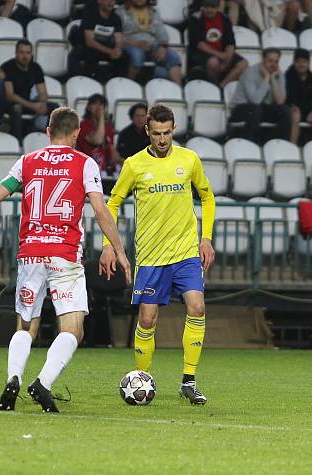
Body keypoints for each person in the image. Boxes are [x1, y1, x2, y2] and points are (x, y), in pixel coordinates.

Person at [0, 107, 131, 413]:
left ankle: (14, 377)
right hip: (64, 255)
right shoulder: (84, 164)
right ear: (77, 133)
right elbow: (100, 209)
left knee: (26, 327)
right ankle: (43, 383)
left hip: (31, 255)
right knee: (72, 329)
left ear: (47, 132)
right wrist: (118, 250)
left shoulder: (27, 162)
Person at [103, 104, 216, 405]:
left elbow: (207, 196)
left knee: (197, 306)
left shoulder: (189, 159)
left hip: (185, 251)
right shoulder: (134, 164)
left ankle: (189, 381)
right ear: (147, 131)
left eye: (167, 133)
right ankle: (142, 379)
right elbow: (111, 204)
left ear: (173, 129)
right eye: (157, 133)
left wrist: (205, 239)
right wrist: (107, 245)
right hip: (152, 256)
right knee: (148, 319)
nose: (162, 139)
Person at [230, 47, 292, 143]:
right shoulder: (250, 72)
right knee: (256, 110)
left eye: (276, 61)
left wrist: (273, 79)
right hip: (241, 108)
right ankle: (248, 143)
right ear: (263, 60)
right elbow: (255, 100)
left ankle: (280, 144)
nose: (273, 65)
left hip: (262, 109)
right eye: (270, 61)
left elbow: (280, 101)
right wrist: (266, 78)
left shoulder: (279, 74)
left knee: (285, 111)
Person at [119, 0, 183, 85]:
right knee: (137, 55)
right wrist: (136, 43)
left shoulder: (153, 12)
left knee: (173, 56)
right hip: (130, 44)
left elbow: (162, 33)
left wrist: (163, 46)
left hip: (152, 45)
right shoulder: (121, 12)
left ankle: (178, 90)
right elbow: (117, 36)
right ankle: (128, 85)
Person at [187, 0, 248, 88]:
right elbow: (198, 43)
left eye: (212, 7)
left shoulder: (225, 19)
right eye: (207, 7)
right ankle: (213, 85)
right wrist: (220, 55)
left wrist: (227, 57)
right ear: (203, 7)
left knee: (243, 63)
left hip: (222, 52)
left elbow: (230, 42)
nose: (209, 10)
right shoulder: (195, 19)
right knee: (213, 63)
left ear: (217, 8)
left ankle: (221, 86)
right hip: (201, 53)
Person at [1, 40, 54, 140]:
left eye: (28, 53)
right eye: (21, 52)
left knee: (55, 108)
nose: (25, 56)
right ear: (16, 53)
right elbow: (10, 95)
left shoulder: (36, 68)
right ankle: (18, 142)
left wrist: (42, 103)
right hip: (9, 103)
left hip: (28, 102)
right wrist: (33, 105)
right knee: (17, 108)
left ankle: (47, 140)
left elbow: (43, 92)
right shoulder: (7, 67)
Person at [285, 48, 312, 144]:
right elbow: (288, 99)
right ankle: (292, 147)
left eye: (304, 62)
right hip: (293, 110)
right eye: (298, 62)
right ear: (294, 62)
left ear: (308, 63)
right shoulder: (288, 76)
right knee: (295, 114)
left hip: (307, 111)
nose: (301, 65)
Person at [80, 0, 128, 81]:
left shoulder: (116, 18)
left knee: (124, 57)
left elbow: (119, 39)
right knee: (91, 55)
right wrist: (110, 51)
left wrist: (117, 49)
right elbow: (90, 42)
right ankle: (87, 81)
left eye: (113, 0)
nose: (110, 3)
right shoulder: (90, 16)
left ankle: (117, 82)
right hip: (91, 48)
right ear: (99, 1)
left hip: (107, 48)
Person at [77, 93, 122, 179]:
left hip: (105, 171)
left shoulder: (108, 127)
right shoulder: (83, 125)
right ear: (88, 107)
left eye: (101, 105)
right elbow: (98, 140)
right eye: (95, 104)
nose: (98, 107)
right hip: (87, 171)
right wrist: (101, 117)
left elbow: (112, 151)